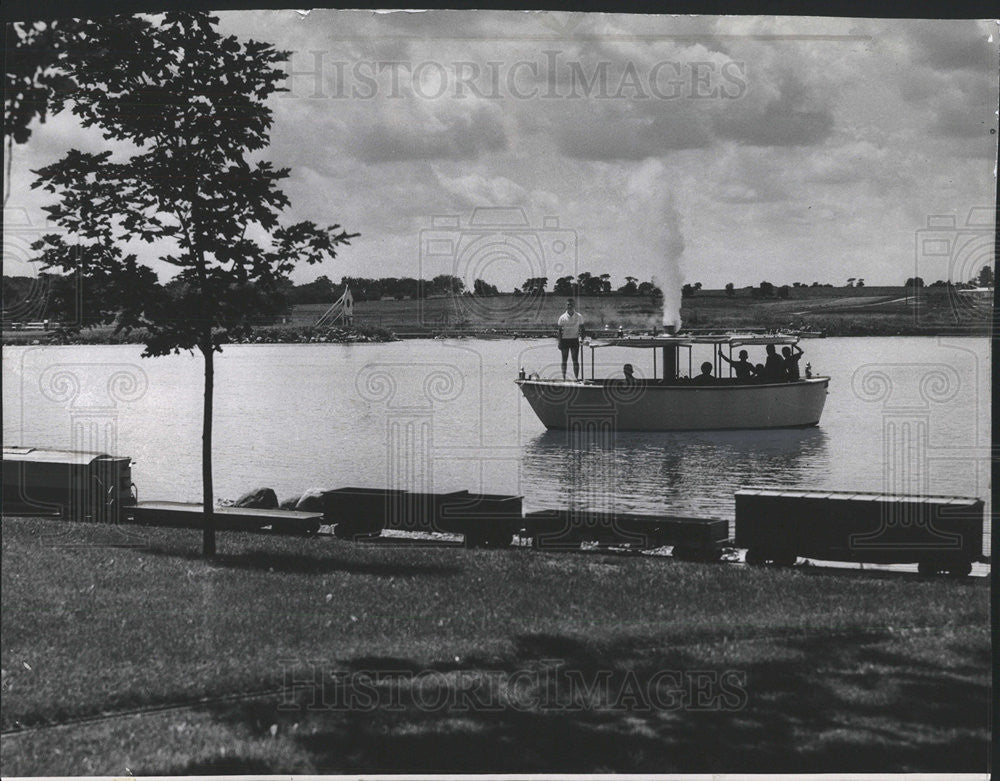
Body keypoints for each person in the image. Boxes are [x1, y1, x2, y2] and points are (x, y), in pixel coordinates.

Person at [557, 298, 585, 380]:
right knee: (564, 360)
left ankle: (576, 378)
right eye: (568, 305)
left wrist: (582, 339)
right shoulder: (562, 317)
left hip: (574, 340)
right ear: (566, 306)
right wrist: (559, 342)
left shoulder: (579, 316)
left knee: (575, 360)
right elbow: (559, 331)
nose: (569, 306)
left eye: (571, 305)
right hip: (565, 340)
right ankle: (564, 378)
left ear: (574, 306)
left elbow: (582, 329)